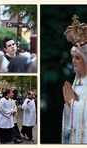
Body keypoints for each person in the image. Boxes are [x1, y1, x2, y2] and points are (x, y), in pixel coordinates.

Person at [62, 15, 87, 144]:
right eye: (72, 57)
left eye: (77, 57)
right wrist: (68, 106)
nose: (73, 61)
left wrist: (72, 103)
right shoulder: (76, 83)